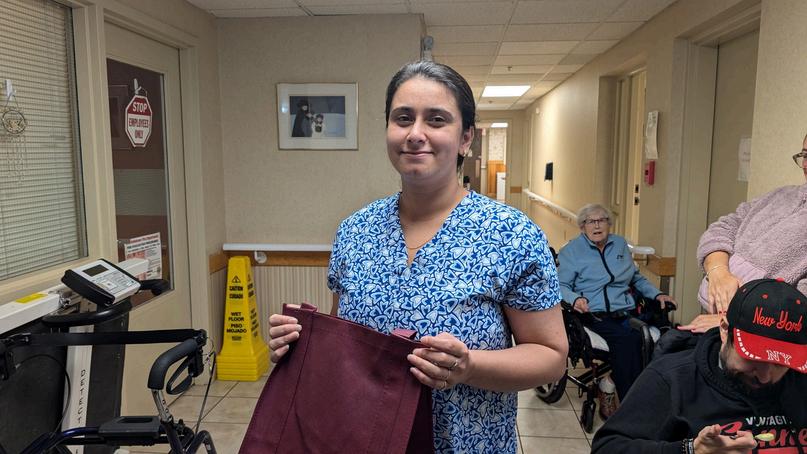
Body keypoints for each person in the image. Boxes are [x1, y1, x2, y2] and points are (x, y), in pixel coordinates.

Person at [268, 61, 567, 454]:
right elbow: (346, 348)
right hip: (365, 441)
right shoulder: (355, 232)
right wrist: (301, 345)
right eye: (403, 118)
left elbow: (551, 356)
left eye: (436, 119)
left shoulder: (511, 235)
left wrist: (470, 367)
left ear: (465, 138)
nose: (415, 134)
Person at [592, 278, 807, 454]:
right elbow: (606, 448)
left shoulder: (800, 381)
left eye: (780, 363)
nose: (765, 377)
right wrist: (690, 450)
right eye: (754, 359)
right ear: (724, 330)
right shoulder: (673, 379)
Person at [679, 135, 807, 334]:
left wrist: (734, 319)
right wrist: (718, 271)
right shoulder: (781, 196)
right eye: (805, 155)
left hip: (760, 336)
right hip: (716, 323)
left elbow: (799, 311)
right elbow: (723, 227)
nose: (805, 164)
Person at [557, 203, 675, 416]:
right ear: (582, 226)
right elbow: (561, 285)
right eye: (591, 221)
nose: (597, 225)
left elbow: (636, 278)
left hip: (627, 310)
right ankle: (634, 410)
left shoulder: (619, 244)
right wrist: (575, 300)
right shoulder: (572, 251)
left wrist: (657, 294)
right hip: (594, 314)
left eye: (601, 220)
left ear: (609, 224)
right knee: (630, 341)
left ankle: (611, 382)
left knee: (662, 337)